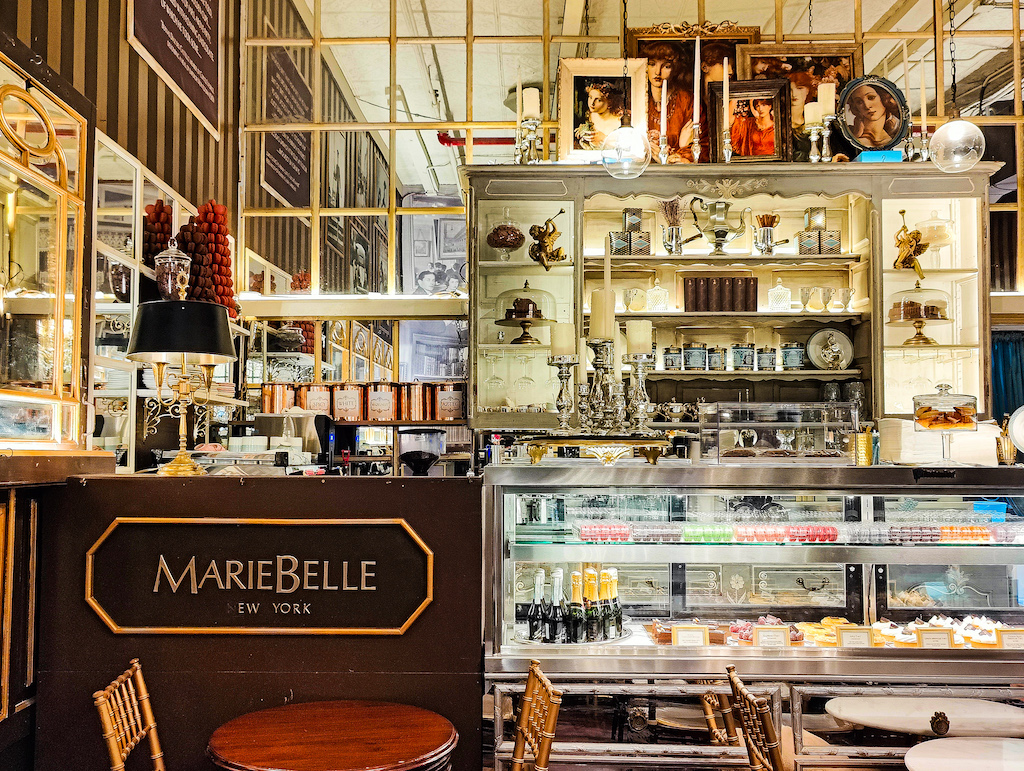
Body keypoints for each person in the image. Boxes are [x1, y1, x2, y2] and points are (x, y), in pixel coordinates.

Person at [640, 41, 696, 163]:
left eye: (666, 66)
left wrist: (680, 152)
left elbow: (699, 145)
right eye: (652, 64)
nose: (657, 72)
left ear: (675, 69)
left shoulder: (686, 100)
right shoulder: (638, 100)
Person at [846, 82, 901, 147]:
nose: (867, 106)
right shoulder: (852, 137)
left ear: (884, 98)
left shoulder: (890, 139)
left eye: (871, 97)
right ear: (856, 107)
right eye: (859, 102)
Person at [575, 81, 624, 150]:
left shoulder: (618, 120)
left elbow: (624, 146)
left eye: (598, 100)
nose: (592, 103)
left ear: (610, 103)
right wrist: (582, 132)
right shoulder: (591, 115)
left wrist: (604, 138)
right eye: (590, 97)